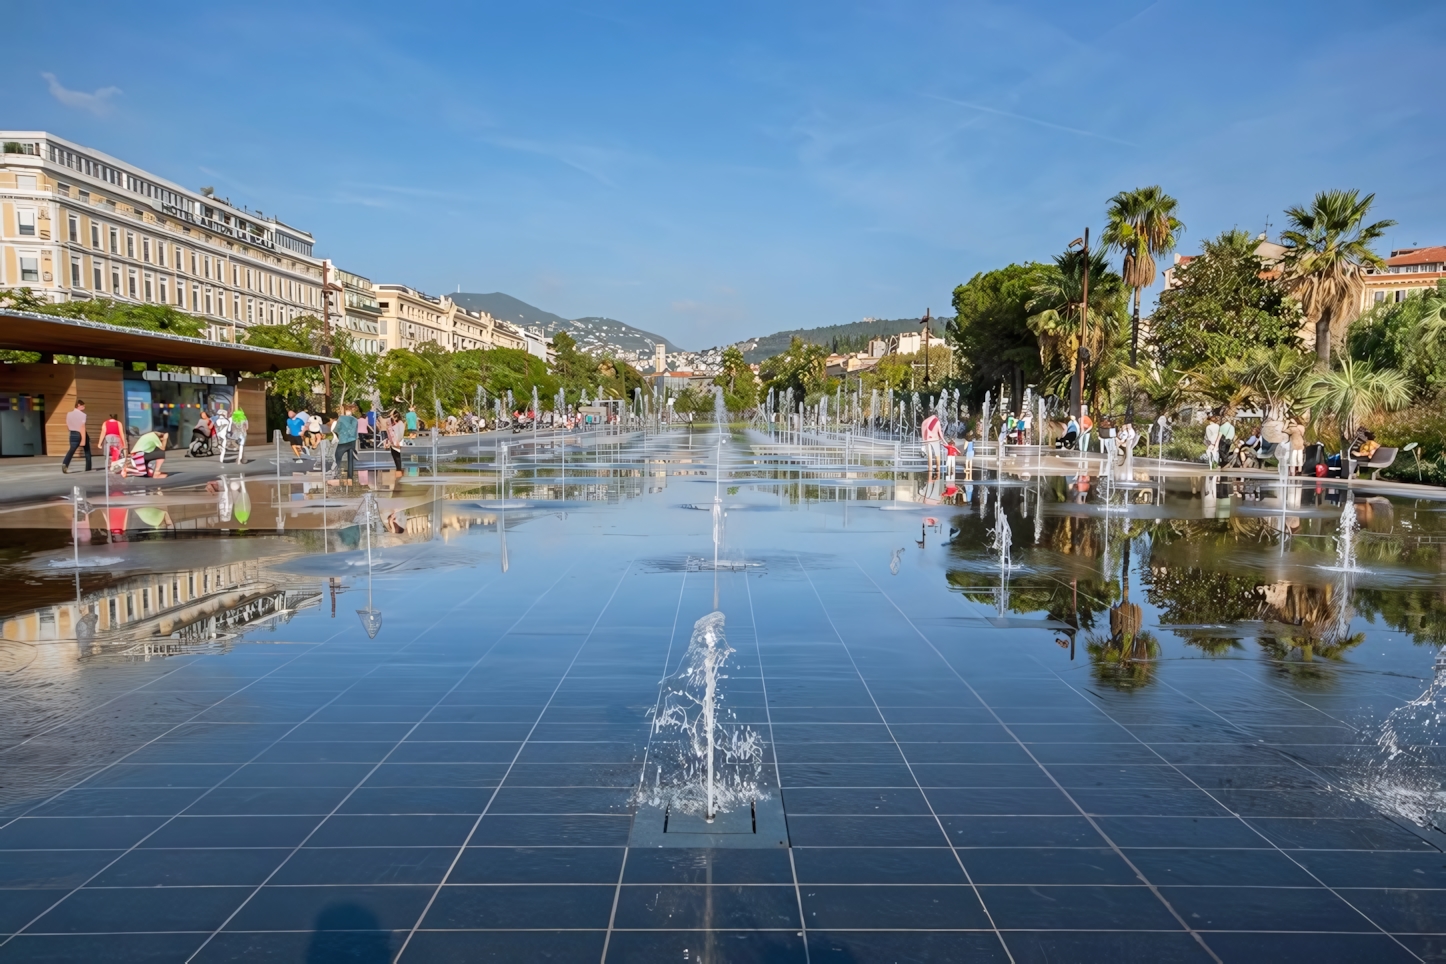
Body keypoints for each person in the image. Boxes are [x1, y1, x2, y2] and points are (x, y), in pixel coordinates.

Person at [61, 399, 91, 473]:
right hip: (80, 433)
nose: (84, 408)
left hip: (72, 433)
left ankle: (65, 463)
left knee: (71, 450)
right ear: (78, 405)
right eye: (83, 406)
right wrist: (83, 439)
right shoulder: (83, 415)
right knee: (87, 451)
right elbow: (82, 427)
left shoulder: (69, 414)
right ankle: (88, 467)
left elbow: (67, 426)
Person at [333, 403, 358, 478]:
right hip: (352, 441)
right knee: (350, 459)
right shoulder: (355, 420)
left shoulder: (341, 418)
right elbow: (353, 431)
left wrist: (342, 419)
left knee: (337, 457)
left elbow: (336, 429)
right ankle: (350, 476)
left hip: (343, 441)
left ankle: (337, 473)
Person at [920, 410, 943, 475]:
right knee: (937, 455)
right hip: (935, 440)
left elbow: (924, 432)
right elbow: (940, 434)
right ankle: (938, 469)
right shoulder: (937, 421)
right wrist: (944, 441)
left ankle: (930, 469)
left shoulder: (926, 422)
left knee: (930, 456)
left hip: (928, 440)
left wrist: (924, 442)